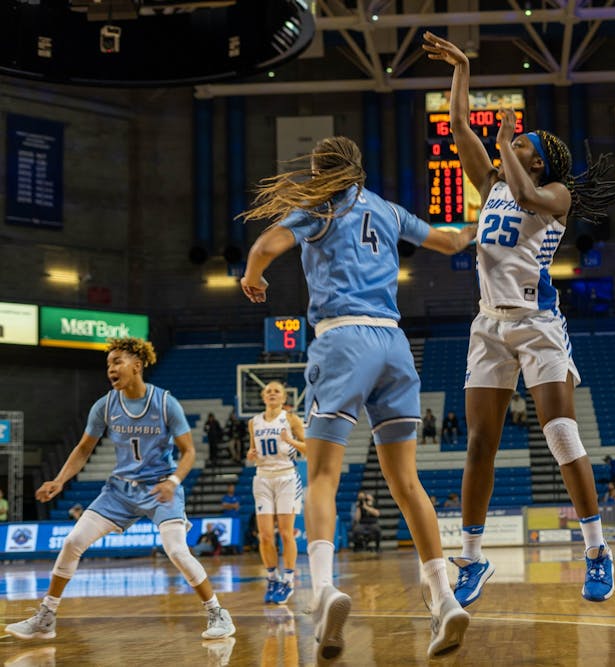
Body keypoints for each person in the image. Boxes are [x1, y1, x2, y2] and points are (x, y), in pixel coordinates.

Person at [239, 134, 476, 661]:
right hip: (395, 345)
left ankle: (324, 591)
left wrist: (253, 278)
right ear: (360, 168)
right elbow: (450, 242)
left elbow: (262, 248)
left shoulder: (317, 206)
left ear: (320, 171)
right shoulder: (389, 211)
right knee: (407, 482)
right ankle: (443, 597)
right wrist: (483, 223)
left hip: (343, 340)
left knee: (323, 475)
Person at [423, 31, 615, 607]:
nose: (521, 146)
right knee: (480, 443)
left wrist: (509, 144)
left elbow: (523, 190)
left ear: (543, 156)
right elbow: (461, 128)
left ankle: (595, 550)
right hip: (488, 324)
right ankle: (472, 557)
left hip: (537, 324)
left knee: (560, 433)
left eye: (529, 143)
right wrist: (462, 68)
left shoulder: (556, 194)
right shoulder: (491, 182)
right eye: (521, 142)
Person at [4, 337, 236, 642]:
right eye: (108, 364)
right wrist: (59, 480)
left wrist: (173, 482)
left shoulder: (165, 403)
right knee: (73, 541)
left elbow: (189, 451)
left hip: (160, 488)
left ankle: (218, 612)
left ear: (137, 366)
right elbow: (84, 448)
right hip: (119, 492)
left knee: (177, 550)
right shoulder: (105, 405)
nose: (110, 369)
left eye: (117, 362)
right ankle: (46, 616)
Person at [247, 380, 307, 605]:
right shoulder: (254, 422)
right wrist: (250, 453)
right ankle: (272, 578)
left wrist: (289, 440)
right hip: (262, 477)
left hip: (286, 477)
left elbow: (308, 447)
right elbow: (252, 449)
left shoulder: (291, 419)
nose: (272, 394)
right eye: (268, 391)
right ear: (263, 397)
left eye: (276, 391)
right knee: (264, 535)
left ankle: (289, 580)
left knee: (285, 533)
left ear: (284, 397)